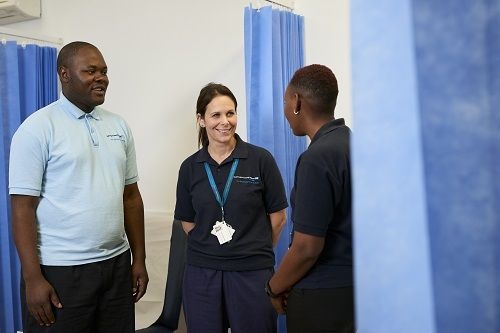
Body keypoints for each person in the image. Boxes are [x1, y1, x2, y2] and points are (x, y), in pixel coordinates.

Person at [9, 41, 148, 332]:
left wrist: (140, 260)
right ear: (65, 74)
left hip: (116, 265)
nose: (101, 78)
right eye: (91, 71)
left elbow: (131, 198)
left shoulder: (119, 126)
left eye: (104, 71)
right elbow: (22, 208)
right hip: (62, 270)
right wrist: (33, 279)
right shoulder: (37, 128)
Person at [174, 82, 288, 333]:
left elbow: (278, 217)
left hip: (252, 272)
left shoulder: (260, 160)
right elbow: (187, 221)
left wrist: (252, 247)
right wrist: (211, 249)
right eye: (216, 115)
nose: (225, 121)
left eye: (231, 113)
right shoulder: (190, 167)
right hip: (202, 274)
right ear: (201, 120)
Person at [267, 64, 355, 332]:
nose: (284, 110)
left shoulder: (317, 159)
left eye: (285, 101)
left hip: (322, 297)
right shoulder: (350, 143)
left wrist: (274, 287)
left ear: (297, 102)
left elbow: (307, 247)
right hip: (355, 291)